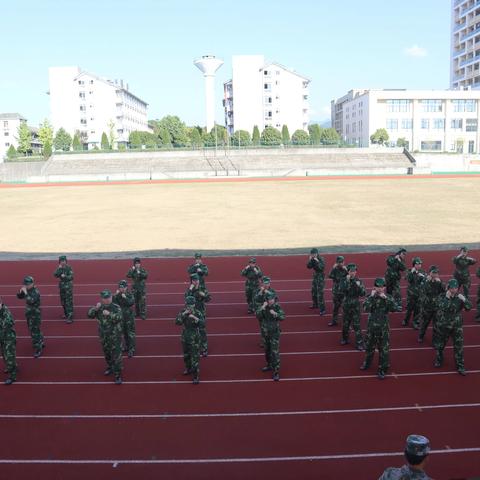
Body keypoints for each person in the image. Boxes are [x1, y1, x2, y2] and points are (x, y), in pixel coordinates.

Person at [361, 278, 397, 380]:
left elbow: (394, 308)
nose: (380, 289)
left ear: (384, 288)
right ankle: (367, 363)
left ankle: (382, 369)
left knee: (384, 349)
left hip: (383, 328)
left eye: (382, 287)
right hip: (372, 327)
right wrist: (372, 297)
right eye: (378, 287)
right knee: (369, 347)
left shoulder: (388, 297)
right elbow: (365, 308)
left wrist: (385, 298)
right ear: (374, 287)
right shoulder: (370, 297)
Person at [435, 278, 471, 376]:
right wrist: (447, 298)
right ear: (448, 288)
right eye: (452, 288)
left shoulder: (460, 297)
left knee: (458, 347)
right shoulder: (442, 296)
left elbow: (469, 308)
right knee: (440, 345)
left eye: (456, 288)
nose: (454, 290)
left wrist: (464, 299)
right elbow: (442, 307)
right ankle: (439, 360)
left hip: (457, 326)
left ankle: (460, 365)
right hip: (445, 326)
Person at [87, 290, 123, 384]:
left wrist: (109, 314)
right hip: (104, 335)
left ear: (111, 297)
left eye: (108, 297)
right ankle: (110, 367)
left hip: (114, 336)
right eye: (105, 298)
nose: (107, 300)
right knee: (107, 353)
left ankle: (117, 374)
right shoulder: (99, 307)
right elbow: (89, 315)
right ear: (102, 299)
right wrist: (95, 308)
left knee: (116, 355)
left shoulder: (116, 307)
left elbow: (119, 318)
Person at [256, 291, 285, 381]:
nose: (271, 301)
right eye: (269, 299)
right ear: (266, 300)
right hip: (265, 333)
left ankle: (276, 371)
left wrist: (275, 314)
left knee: (275, 352)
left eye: (272, 299)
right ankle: (269, 365)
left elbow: (283, 317)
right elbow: (258, 316)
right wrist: (263, 307)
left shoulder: (277, 306)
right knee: (267, 350)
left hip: (274, 333)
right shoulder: (263, 307)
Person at [175, 296, 204, 384]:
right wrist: (184, 314)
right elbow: (177, 322)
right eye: (188, 305)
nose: (189, 307)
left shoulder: (198, 313)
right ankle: (188, 369)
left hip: (194, 338)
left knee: (194, 358)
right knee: (186, 355)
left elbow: (203, 324)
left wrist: (195, 318)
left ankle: (196, 376)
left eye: (191, 305)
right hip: (185, 337)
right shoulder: (183, 312)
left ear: (194, 304)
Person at [339, 263, 366, 350]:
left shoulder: (359, 281)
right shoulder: (343, 280)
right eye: (351, 271)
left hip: (355, 305)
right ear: (348, 272)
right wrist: (347, 281)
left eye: (354, 271)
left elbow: (363, 294)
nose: (352, 273)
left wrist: (359, 286)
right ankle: (345, 338)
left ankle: (359, 343)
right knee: (346, 324)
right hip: (346, 304)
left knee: (356, 325)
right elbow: (342, 290)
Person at [16, 276, 44, 358]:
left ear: (32, 283)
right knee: (34, 329)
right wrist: (20, 292)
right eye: (25, 284)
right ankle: (41, 341)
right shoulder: (27, 290)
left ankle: (38, 348)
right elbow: (19, 297)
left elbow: (31, 301)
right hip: (29, 313)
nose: (26, 286)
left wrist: (26, 293)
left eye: (28, 284)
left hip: (35, 314)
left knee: (34, 331)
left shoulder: (36, 291)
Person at [185, 273, 211, 357]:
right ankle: (193, 347)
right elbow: (186, 298)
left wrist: (204, 295)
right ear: (191, 281)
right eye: (194, 280)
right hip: (192, 313)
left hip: (201, 313)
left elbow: (209, 298)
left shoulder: (202, 288)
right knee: (192, 330)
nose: (196, 282)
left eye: (197, 280)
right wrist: (190, 289)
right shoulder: (190, 290)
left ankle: (204, 349)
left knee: (202, 330)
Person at [418, 266, 445, 345]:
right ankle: (421, 336)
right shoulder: (424, 281)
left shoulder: (439, 282)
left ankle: (435, 340)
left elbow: (445, 291)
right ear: (429, 273)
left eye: (436, 273)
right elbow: (422, 291)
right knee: (424, 324)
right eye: (433, 273)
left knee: (436, 326)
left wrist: (440, 282)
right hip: (427, 307)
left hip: (436, 307)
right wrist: (427, 281)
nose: (435, 274)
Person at [113, 280, 136, 358]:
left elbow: (131, 303)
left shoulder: (129, 294)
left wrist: (125, 298)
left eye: (123, 287)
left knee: (130, 333)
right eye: (120, 287)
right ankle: (127, 346)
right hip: (121, 317)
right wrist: (115, 295)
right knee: (124, 333)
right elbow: (113, 303)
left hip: (129, 317)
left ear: (126, 287)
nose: (122, 289)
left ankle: (131, 349)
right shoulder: (118, 295)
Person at [253, 276, 278, 348]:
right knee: (263, 326)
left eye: (268, 283)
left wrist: (268, 292)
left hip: (271, 311)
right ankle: (264, 341)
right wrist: (261, 292)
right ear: (262, 283)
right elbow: (256, 299)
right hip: (262, 310)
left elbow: (275, 299)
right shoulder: (258, 291)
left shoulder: (272, 291)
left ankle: (273, 339)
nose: (266, 285)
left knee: (272, 326)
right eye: (265, 283)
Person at [402, 257, 426, 330]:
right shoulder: (409, 271)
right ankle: (406, 320)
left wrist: (423, 276)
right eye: (417, 264)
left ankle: (415, 322)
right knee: (409, 308)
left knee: (418, 309)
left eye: (420, 264)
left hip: (419, 294)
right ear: (414, 264)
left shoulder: (422, 271)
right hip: (411, 294)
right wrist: (411, 273)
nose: (419, 265)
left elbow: (426, 280)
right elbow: (407, 279)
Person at [0, 298, 17, 385]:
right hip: (2, 337)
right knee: (4, 354)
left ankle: (12, 376)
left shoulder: (6, 312)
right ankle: (9, 367)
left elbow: (9, 323)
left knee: (10, 356)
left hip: (8, 338)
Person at [328, 255, 348, 326]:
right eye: (339, 262)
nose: (340, 264)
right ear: (336, 262)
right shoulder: (335, 270)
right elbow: (329, 276)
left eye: (341, 262)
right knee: (335, 308)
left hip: (343, 292)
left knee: (345, 309)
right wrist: (333, 268)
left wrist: (346, 270)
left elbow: (351, 277)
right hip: (336, 292)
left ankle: (346, 323)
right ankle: (334, 321)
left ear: (344, 262)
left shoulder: (346, 269)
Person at [53, 255, 74, 323]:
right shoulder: (59, 268)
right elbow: (55, 275)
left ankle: (70, 317)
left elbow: (71, 277)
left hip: (68, 287)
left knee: (68, 302)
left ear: (66, 261)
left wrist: (65, 277)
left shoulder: (69, 268)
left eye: (64, 261)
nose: (63, 262)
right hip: (62, 287)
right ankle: (66, 313)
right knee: (63, 301)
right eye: (61, 261)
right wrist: (59, 269)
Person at [307, 248, 326, 315]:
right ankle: (315, 304)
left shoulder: (321, 259)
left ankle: (322, 309)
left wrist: (317, 261)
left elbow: (322, 268)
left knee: (320, 293)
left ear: (317, 253)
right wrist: (310, 260)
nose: (313, 255)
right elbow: (308, 267)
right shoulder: (312, 259)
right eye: (312, 254)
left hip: (320, 277)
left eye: (314, 254)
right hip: (315, 276)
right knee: (313, 291)